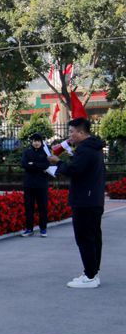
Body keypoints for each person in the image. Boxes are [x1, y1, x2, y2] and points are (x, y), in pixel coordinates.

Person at [48, 118, 106, 288]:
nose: (70, 135)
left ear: (81, 132)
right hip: (93, 199)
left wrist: (58, 162)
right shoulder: (93, 147)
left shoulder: (85, 150)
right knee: (93, 238)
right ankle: (92, 272)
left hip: (85, 201)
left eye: (72, 132)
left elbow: (74, 170)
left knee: (85, 238)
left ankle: (90, 276)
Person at [21, 133, 51, 237]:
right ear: (32, 142)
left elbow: (46, 165)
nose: (36, 143)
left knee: (43, 207)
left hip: (42, 184)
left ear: (41, 142)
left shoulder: (45, 152)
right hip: (29, 184)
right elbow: (24, 164)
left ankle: (43, 229)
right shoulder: (27, 152)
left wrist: (33, 164)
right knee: (29, 207)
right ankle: (29, 229)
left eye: (38, 141)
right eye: (34, 141)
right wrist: (38, 166)